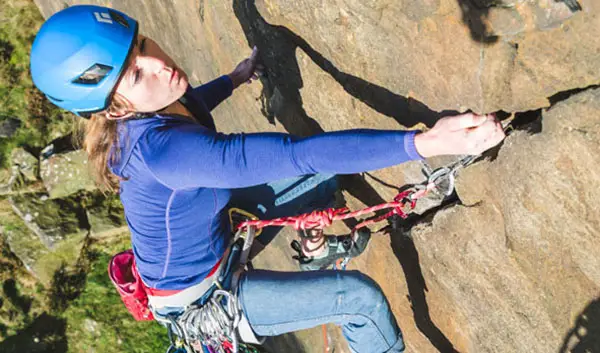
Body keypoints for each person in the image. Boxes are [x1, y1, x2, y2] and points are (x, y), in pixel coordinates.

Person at [29, 5, 505, 353]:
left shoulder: (147, 108)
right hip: (204, 302)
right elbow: (297, 154)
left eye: (143, 44)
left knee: (322, 184)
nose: (159, 64)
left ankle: (320, 252)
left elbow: (189, 103)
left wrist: (235, 79)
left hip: (212, 230)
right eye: (135, 72)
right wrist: (427, 142)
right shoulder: (165, 154)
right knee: (361, 300)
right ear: (115, 107)